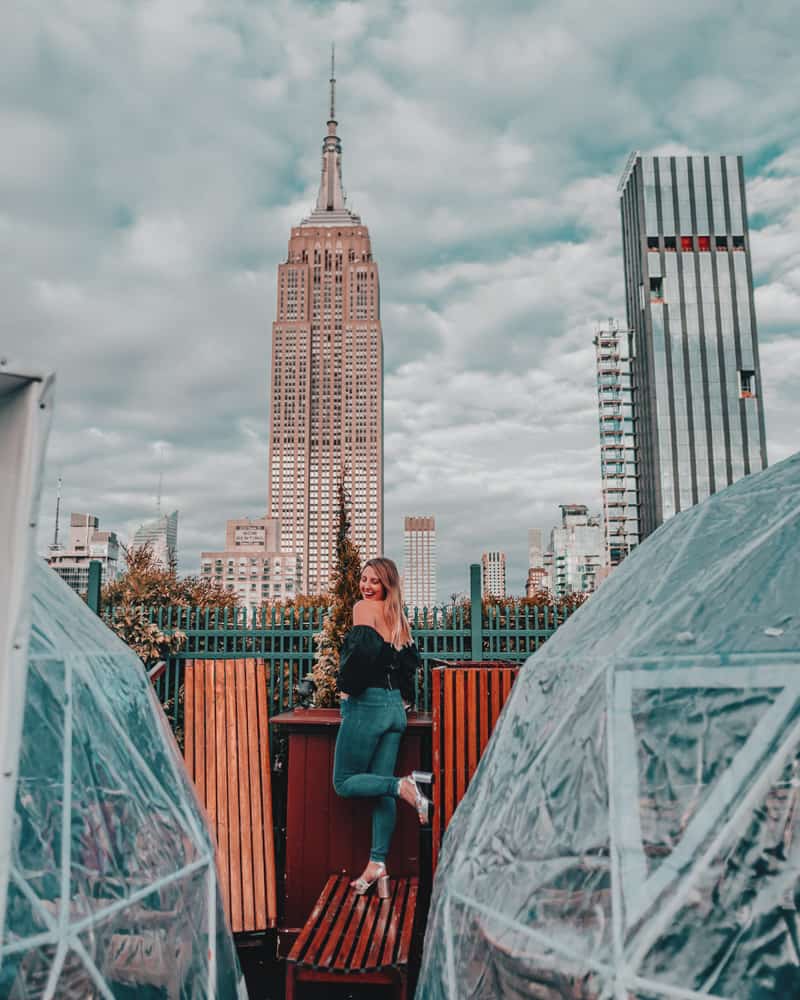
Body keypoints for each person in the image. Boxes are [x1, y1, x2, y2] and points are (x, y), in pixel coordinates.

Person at [332, 557, 433, 898]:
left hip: (369, 706)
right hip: (395, 710)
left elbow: (359, 654)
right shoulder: (400, 619)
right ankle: (378, 863)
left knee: (344, 782)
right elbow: (408, 669)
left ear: (386, 585)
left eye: (374, 581)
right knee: (382, 791)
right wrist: (400, 703)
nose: (366, 586)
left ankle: (406, 785)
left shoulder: (364, 609)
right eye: (363, 579)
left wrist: (345, 688)